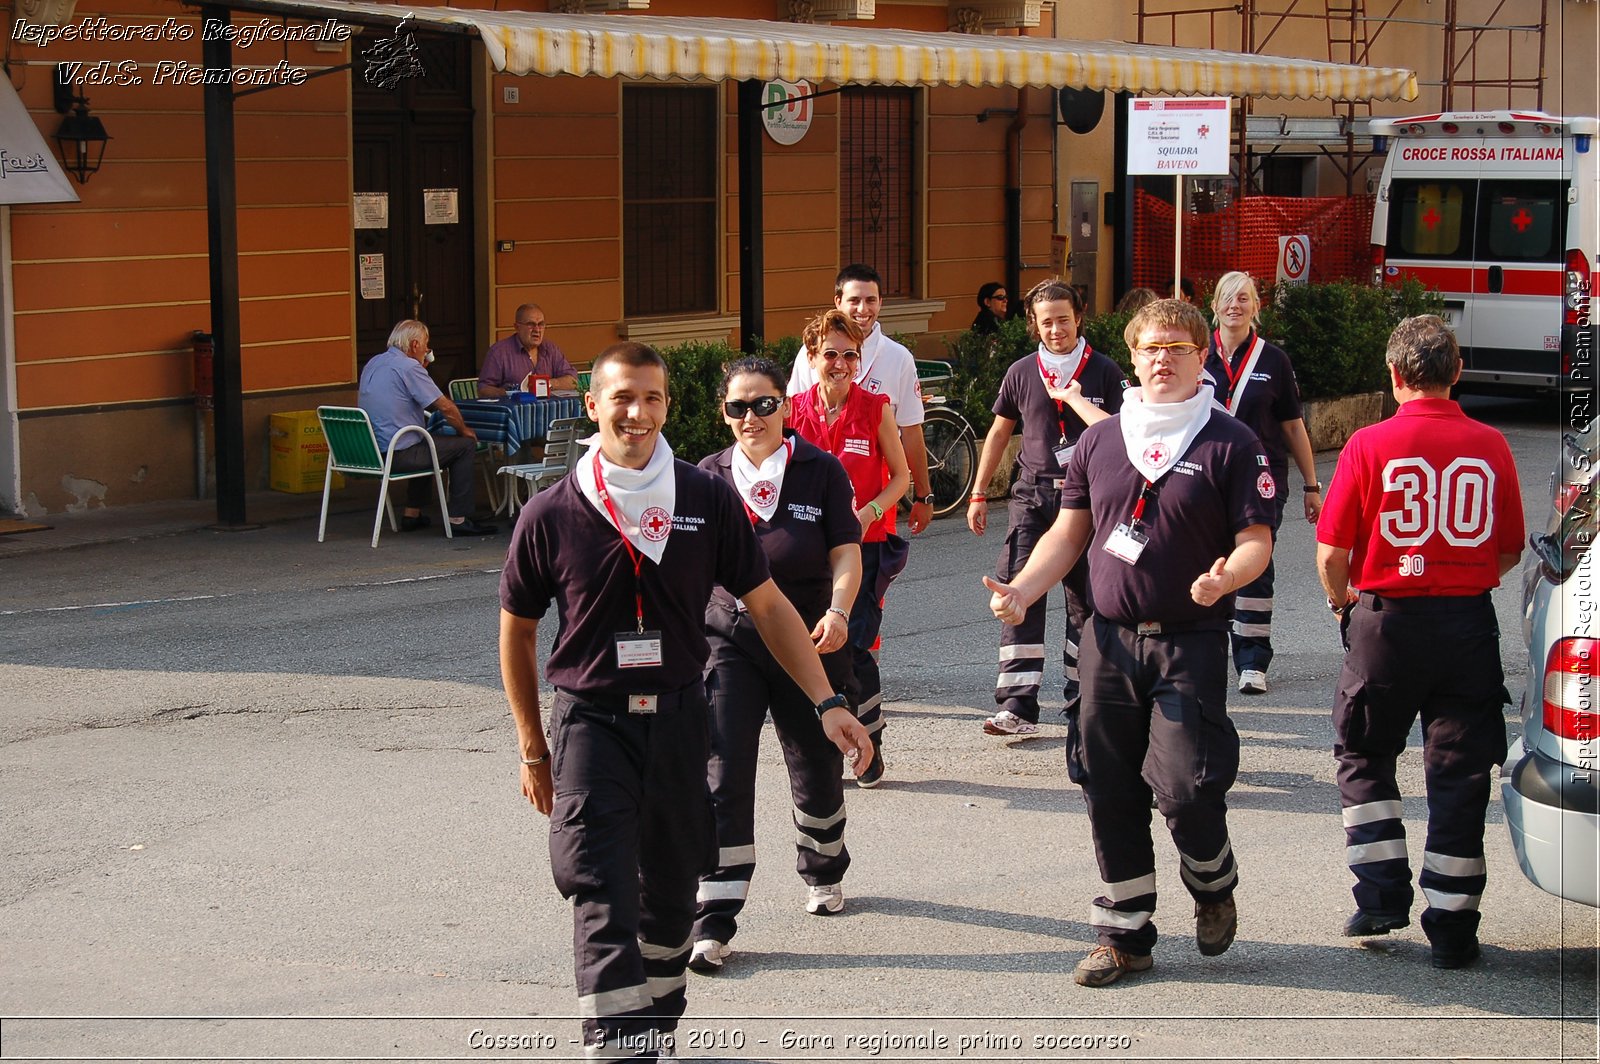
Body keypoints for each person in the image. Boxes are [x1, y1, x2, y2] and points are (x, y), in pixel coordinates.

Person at [499, 342, 872, 1061]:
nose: (636, 413)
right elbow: (516, 633)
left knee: (671, 895)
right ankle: (617, 1047)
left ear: (667, 406)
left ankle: (656, 1030)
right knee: (601, 887)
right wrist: (530, 746)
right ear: (593, 406)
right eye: (621, 398)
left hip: (677, 716)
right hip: (591, 721)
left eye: (651, 399)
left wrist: (828, 703)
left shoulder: (706, 501)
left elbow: (766, 606)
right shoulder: (552, 511)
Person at [984, 299, 1275, 987]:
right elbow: (1069, 534)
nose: (1163, 359)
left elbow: (1257, 540)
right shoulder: (1102, 440)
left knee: (1184, 787)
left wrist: (1226, 576)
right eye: (1150, 348)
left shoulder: (1230, 442)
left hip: (1190, 641)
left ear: (1202, 357)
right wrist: (1023, 590)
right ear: (1134, 358)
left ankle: (1212, 882)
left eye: (1178, 347)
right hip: (1107, 642)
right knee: (1106, 784)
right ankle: (1124, 933)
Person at [1315, 315, 1524, 971]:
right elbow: (1511, 547)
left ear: (1396, 375)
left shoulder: (1370, 444)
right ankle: (1454, 925)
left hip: (1387, 622)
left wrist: (1342, 602)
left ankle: (1380, 894)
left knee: (1364, 749)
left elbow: (1331, 551)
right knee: (1461, 773)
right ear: (1456, 373)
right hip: (1466, 623)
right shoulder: (1490, 444)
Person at [689, 357, 864, 973]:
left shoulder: (820, 471)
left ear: (785, 406)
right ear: (725, 414)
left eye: (763, 404)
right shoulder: (706, 478)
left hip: (809, 639)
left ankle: (823, 863)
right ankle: (714, 914)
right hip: (727, 640)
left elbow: (846, 554)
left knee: (815, 764)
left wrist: (840, 611)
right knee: (722, 770)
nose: (751, 417)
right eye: (738, 407)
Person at [967, 278, 1125, 740]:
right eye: (1046, 321)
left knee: (1086, 602)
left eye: (1063, 319)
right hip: (1032, 497)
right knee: (1019, 590)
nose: (1055, 329)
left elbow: (1122, 433)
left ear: (1079, 318)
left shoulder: (1106, 372)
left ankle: (1083, 701)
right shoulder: (1020, 372)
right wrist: (978, 492)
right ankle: (1017, 704)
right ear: (1033, 324)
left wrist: (1077, 402)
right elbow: (998, 434)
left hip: (1088, 501)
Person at [788, 309, 911, 788]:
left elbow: (901, 477)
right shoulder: (791, 410)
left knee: (855, 649)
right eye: (831, 354)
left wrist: (870, 514)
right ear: (814, 357)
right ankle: (828, 745)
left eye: (850, 354)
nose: (840, 363)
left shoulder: (875, 406)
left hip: (864, 548)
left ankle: (870, 743)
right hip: (808, 553)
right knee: (813, 649)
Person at [1204, 271, 1321, 695]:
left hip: (1263, 475)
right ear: (1214, 306)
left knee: (1255, 564)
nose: (1234, 306)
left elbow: (1293, 427)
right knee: (1206, 558)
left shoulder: (1274, 361)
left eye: (1243, 299)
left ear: (1256, 307)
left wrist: (1312, 485)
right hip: (1207, 474)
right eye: (1226, 298)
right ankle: (1207, 651)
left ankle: (1252, 660)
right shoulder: (1198, 357)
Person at [787, 264, 934, 535]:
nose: (862, 310)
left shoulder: (898, 357)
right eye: (854, 300)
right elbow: (793, 423)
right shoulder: (810, 354)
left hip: (872, 514)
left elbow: (911, 429)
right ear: (838, 302)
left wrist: (924, 496)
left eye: (871, 300)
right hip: (811, 513)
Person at [357, 319, 497, 536]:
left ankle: (412, 514)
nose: (427, 350)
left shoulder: (375, 362)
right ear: (414, 345)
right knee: (464, 446)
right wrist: (464, 431)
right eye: (426, 344)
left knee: (425, 441)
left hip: (372, 452)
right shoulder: (409, 367)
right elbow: (445, 407)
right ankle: (459, 519)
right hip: (397, 453)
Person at [478, 303, 579, 397]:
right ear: (517, 327)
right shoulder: (499, 352)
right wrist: (511, 393)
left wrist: (546, 384)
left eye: (541, 324)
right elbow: (483, 390)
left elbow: (572, 380)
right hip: (515, 413)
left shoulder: (551, 349)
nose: (537, 329)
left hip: (549, 412)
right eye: (531, 324)